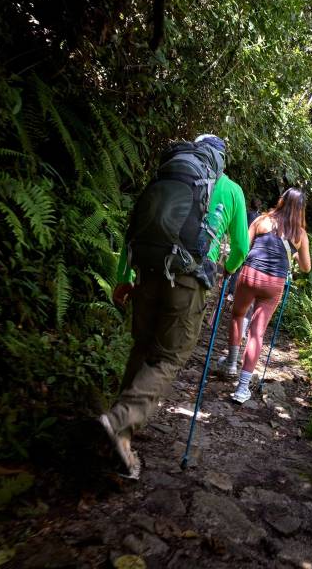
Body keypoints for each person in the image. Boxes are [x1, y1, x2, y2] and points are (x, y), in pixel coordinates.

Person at [100, 134, 248, 478]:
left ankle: (118, 431)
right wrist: (226, 268)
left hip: (148, 271)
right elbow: (240, 246)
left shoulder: (170, 177)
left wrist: (123, 275)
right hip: (188, 281)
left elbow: (134, 227)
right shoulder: (231, 190)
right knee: (168, 356)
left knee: (143, 346)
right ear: (221, 159)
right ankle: (119, 420)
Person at [221, 188, 311, 403]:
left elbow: (243, 246)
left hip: (250, 274)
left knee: (238, 315)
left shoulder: (263, 220)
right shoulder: (300, 234)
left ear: (281, 201)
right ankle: (242, 388)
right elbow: (306, 268)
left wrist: (229, 269)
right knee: (257, 333)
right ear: (301, 208)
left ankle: (231, 363)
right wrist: (295, 254)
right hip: (274, 284)